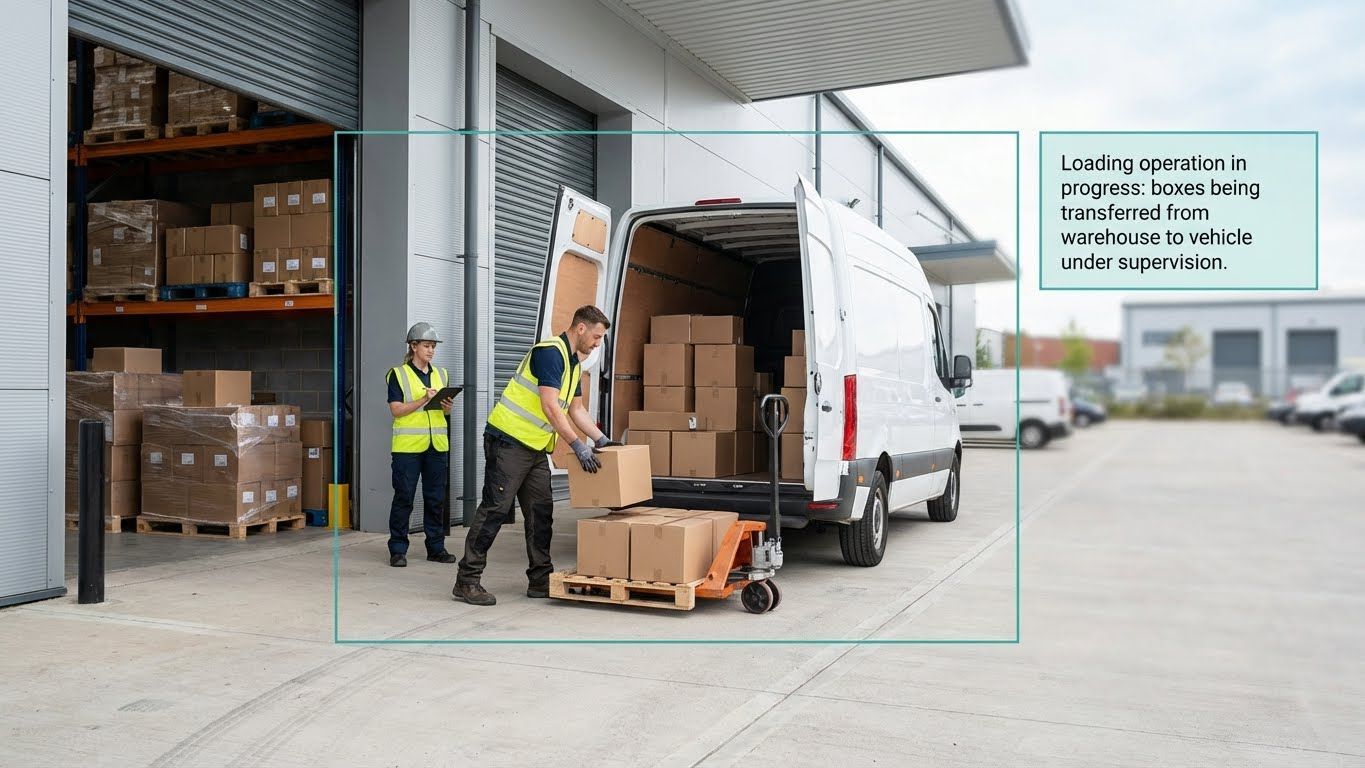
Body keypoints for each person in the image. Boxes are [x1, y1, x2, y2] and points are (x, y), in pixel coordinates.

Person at [452, 305, 620, 605]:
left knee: (541, 513)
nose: (598, 343)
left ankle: (540, 580)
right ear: (580, 328)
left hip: (535, 448)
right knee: (495, 510)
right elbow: (550, 406)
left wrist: (602, 440)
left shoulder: (574, 364)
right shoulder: (550, 353)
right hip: (509, 442)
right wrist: (576, 445)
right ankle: (467, 580)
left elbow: (576, 409)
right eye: (596, 336)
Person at [386, 322, 457, 567]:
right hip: (407, 448)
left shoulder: (442, 374)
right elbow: (396, 410)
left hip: (436, 446)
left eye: (433, 346)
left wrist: (447, 408)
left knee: (435, 498)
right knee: (404, 497)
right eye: (427, 346)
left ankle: (436, 548)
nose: (431, 351)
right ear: (413, 346)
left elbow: (440, 412)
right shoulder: (398, 375)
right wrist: (421, 400)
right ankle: (397, 550)